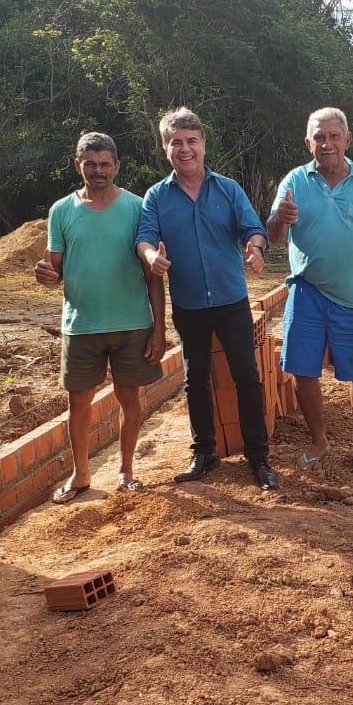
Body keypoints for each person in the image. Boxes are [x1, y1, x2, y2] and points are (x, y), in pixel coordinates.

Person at [136, 108, 279, 491]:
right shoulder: (157, 197)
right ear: (166, 149)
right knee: (194, 378)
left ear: (203, 144)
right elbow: (145, 237)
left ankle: (258, 456)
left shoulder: (228, 189)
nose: (185, 149)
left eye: (191, 141)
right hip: (188, 304)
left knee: (246, 375)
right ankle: (204, 452)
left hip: (231, 300)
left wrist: (255, 247)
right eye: (175, 143)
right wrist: (152, 256)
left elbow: (253, 228)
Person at [267, 107, 353, 479]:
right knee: (301, 368)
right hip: (307, 291)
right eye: (319, 138)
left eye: (334, 136)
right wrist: (282, 218)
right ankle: (319, 440)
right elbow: (274, 234)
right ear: (308, 142)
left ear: (347, 140)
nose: (327, 144)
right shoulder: (295, 180)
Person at [34, 131, 166, 503]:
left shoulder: (138, 208)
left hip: (131, 324)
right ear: (78, 167)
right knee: (79, 402)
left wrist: (159, 328)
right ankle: (81, 473)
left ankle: (126, 469)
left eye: (105, 164)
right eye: (90, 164)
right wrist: (43, 275)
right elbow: (53, 271)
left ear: (117, 166)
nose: (98, 171)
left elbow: (152, 275)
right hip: (82, 325)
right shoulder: (61, 211)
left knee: (129, 398)